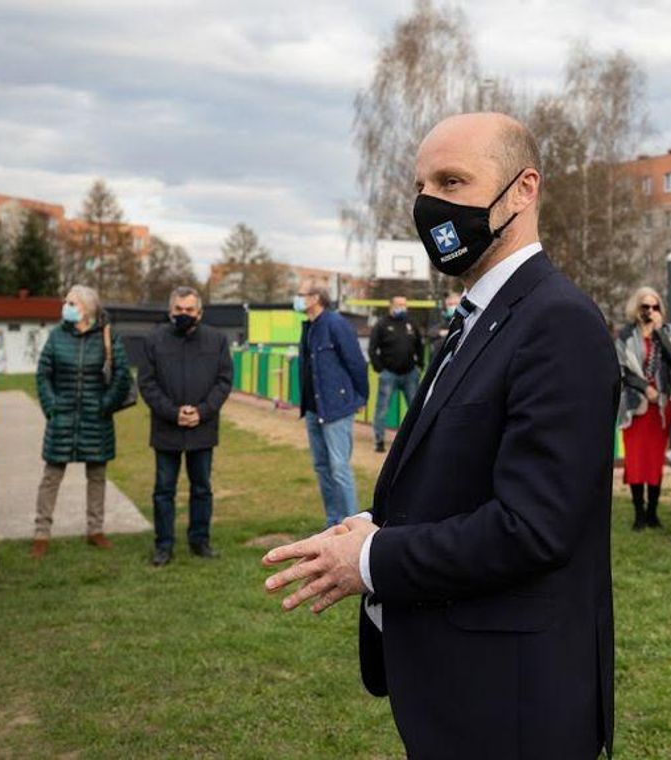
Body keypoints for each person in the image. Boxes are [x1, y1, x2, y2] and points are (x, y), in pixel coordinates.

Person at [264, 113, 618, 759]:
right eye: (422, 184)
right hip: (460, 685)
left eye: (453, 181)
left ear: (523, 189)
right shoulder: (480, 317)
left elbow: (533, 527)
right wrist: (376, 523)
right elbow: (467, 468)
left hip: (512, 705)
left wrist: (370, 561)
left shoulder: (557, 321)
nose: (430, 205)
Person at [31, 285, 131, 558]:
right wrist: (51, 407)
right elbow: (43, 374)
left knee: (97, 476)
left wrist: (104, 405)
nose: (66, 305)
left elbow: (122, 375)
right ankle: (41, 532)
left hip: (95, 419)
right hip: (61, 418)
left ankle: (95, 530)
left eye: (72, 302)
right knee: (51, 477)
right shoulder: (56, 336)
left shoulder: (108, 336)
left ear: (87, 308)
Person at [138, 286, 234, 567]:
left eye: (189, 310)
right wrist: (173, 412)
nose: (184, 314)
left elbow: (224, 381)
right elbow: (147, 383)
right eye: (178, 310)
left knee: (201, 488)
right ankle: (163, 545)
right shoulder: (154, 340)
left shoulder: (216, 340)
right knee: (164, 490)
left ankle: (200, 541)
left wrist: (202, 412)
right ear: (170, 311)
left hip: (202, 429)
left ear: (199, 312)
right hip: (167, 429)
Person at [295, 280, 369, 527]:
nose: (297, 298)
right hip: (314, 409)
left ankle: (351, 527)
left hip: (336, 408)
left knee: (339, 469)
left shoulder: (335, 324)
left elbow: (356, 362)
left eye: (301, 294)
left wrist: (361, 397)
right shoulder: (309, 327)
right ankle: (333, 522)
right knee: (322, 468)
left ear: (315, 297)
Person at [617, 286, 671, 530]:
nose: (651, 310)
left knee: (654, 461)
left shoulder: (668, 332)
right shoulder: (626, 335)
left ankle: (653, 512)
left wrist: (658, 333)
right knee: (635, 461)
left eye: (655, 306)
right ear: (637, 308)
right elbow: (622, 370)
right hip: (636, 408)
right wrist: (646, 389)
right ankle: (639, 513)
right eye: (646, 306)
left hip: (660, 409)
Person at [369, 295, 424, 452]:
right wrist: (380, 368)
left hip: (410, 374)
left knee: (415, 409)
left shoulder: (411, 323)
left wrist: (420, 365)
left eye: (404, 305)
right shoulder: (381, 324)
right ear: (391, 306)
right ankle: (379, 440)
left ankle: (416, 441)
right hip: (389, 374)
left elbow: (419, 345)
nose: (402, 307)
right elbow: (372, 349)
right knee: (382, 409)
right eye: (399, 304)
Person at [428, 292, 461, 357]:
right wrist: (441, 332)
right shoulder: (438, 315)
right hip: (439, 353)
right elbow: (430, 331)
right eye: (450, 304)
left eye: (455, 304)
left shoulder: (466, 318)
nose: (452, 307)